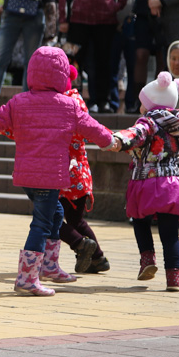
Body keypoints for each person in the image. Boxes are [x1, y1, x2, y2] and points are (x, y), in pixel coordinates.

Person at [0, 46, 116, 297]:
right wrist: (112, 142)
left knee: (57, 213)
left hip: (27, 176)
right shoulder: (69, 105)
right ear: (61, 75)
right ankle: (27, 278)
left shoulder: (18, 102)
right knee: (42, 224)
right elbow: (93, 128)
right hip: (50, 178)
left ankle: (49, 265)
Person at [110, 72, 179, 290]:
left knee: (139, 219)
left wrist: (117, 139)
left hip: (145, 181)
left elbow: (135, 134)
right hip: (172, 183)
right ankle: (174, 277)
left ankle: (147, 258)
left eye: (142, 103)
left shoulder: (148, 121)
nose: (140, 107)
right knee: (170, 231)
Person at [57, 65, 110, 274]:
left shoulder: (61, 104)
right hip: (80, 172)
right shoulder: (78, 101)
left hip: (62, 171)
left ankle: (81, 244)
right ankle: (98, 258)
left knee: (48, 216)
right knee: (76, 219)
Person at [109, 0, 137, 113]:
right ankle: (112, 104)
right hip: (114, 26)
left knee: (133, 67)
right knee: (112, 67)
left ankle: (131, 103)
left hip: (134, 25)